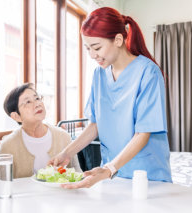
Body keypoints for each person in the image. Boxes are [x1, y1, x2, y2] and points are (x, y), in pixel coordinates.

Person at [48, 7, 172, 188]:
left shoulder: (148, 72)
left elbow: (143, 133)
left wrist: (109, 168)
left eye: (96, 47)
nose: (92, 55)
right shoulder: (99, 74)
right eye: (88, 48)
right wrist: (66, 153)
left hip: (146, 175)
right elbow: (95, 125)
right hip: (112, 175)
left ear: (118, 40)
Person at [0, 83, 81, 178]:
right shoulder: (7, 145)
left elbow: (77, 172)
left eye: (37, 98)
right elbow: (2, 183)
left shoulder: (63, 136)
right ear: (16, 116)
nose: (37, 104)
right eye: (28, 102)